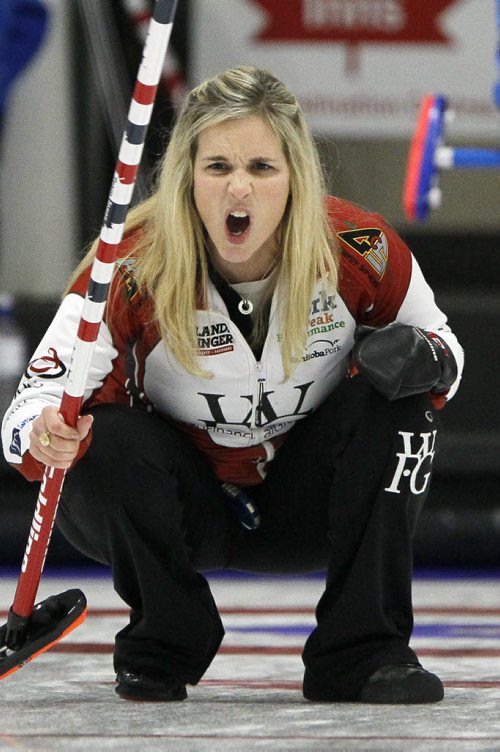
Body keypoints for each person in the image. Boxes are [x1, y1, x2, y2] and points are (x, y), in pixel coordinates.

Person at [1, 65, 463, 704]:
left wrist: (420, 359)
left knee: (405, 411)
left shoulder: (360, 247)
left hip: (312, 505)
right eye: (217, 167)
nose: (238, 190)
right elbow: (31, 404)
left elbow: (447, 352)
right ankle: (165, 638)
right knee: (95, 439)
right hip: (186, 510)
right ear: (186, 176)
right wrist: (42, 430)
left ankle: (364, 652)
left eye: (261, 168)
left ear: (295, 175)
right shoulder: (130, 263)